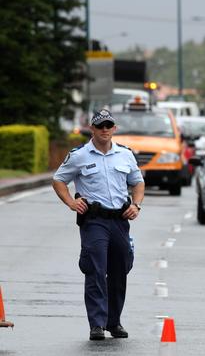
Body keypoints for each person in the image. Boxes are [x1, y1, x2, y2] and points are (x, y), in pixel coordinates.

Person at [52, 109, 145, 341]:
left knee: (120, 269)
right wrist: (71, 202)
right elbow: (58, 179)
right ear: (92, 129)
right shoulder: (79, 155)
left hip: (120, 220)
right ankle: (96, 323)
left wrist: (137, 204)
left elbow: (138, 183)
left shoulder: (125, 155)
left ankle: (114, 322)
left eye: (108, 125)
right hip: (94, 221)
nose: (104, 130)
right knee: (95, 268)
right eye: (100, 126)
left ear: (114, 129)